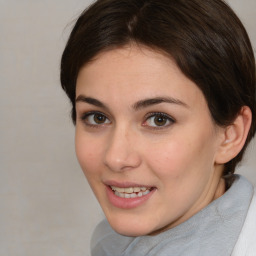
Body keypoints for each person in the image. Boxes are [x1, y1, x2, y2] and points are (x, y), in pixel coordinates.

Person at [60, 0, 256, 255]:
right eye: (97, 117)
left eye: (158, 120)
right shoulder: (110, 243)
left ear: (231, 134)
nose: (116, 158)